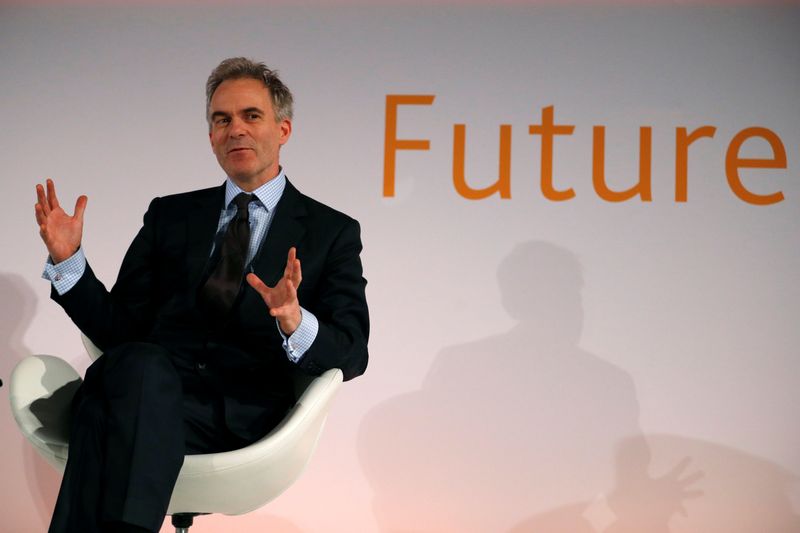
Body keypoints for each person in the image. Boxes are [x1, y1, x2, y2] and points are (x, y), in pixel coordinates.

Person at [33, 57, 369, 533]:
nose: (236, 129)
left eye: (251, 115)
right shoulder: (170, 216)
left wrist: (294, 320)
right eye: (221, 119)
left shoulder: (330, 233)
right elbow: (119, 328)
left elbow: (353, 351)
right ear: (211, 136)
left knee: (106, 408)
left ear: (283, 128)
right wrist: (70, 262)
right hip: (145, 390)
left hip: (235, 416)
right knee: (135, 370)